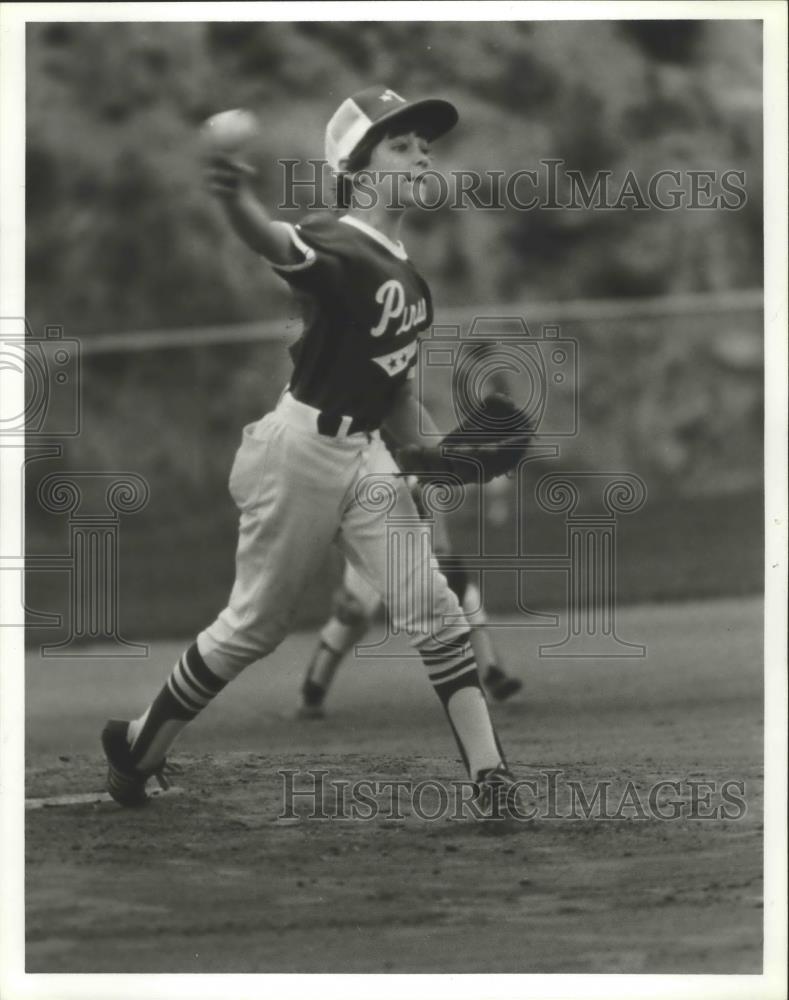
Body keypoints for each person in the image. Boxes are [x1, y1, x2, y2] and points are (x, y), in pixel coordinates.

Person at [100, 85, 520, 818]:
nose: (421, 150)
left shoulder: (412, 287)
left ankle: (491, 779)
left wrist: (444, 460)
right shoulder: (339, 241)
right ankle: (138, 749)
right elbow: (277, 243)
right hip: (297, 451)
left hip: (364, 455)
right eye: (399, 142)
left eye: (424, 141)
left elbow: (396, 399)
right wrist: (233, 198)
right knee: (254, 628)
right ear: (356, 167)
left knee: (433, 607)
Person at [298, 477, 522, 719]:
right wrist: (338, 586)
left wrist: (443, 558)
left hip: (416, 542)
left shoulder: (416, 464)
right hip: (369, 546)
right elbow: (336, 529)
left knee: (466, 598)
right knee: (354, 614)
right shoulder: (360, 469)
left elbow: (437, 528)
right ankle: (313, 689)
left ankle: (492, 672)